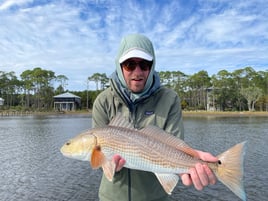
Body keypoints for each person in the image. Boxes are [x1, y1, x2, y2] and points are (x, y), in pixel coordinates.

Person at [92, 33, 218, 201]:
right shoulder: (103, 101)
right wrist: (107, 164)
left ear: (152, 66)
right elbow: (98, 159)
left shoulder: (169, 98)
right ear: (120, 66)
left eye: (144, 65)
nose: (137, 72)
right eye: (130, 65)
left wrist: (192, 158)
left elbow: (174, 145)